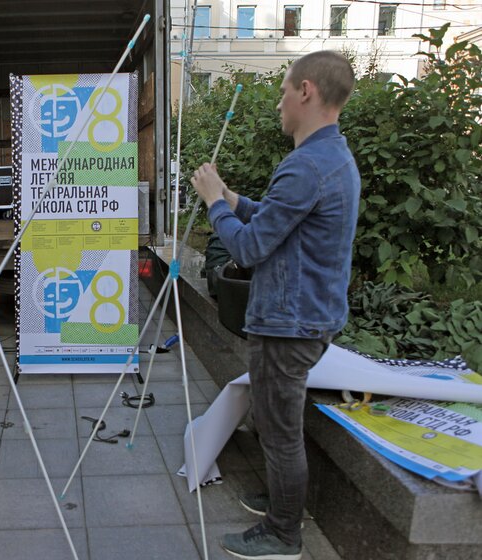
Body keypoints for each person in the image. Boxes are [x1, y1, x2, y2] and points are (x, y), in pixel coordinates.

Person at [190, 50, 359, 560]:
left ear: (306, 91)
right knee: (277, 423)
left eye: (285, 92)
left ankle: (284, 532)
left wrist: (214, 203)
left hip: (289, 323)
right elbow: (282, 220)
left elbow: (247, 248)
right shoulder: (331, 158)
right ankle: (283, 499)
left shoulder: (306, 164)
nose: (280, 104)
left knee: (279, 430)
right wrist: (235, 199)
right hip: (307, 315)